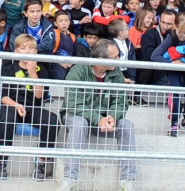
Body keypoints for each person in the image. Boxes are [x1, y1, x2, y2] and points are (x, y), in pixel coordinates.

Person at [58, 39, 137, 191]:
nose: (119, 60)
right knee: (80, 123)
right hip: (74, 114)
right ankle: (70, 179)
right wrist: (98, 118)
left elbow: (121, 102)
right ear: (101, 59)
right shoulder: (79, 70)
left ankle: (127, 180)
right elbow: (74, 104)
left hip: (104, 119)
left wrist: (113, 116)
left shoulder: (116, 73)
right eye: (115, 57)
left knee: (126, 125)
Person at [0, 34, 59, 181]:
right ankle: (1, 160)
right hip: (12, 106)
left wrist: (33, 74)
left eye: (31, 48)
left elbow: (39, 96)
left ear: (36, 52)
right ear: (16, 51)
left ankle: (41, 161)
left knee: (52, 120)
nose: (27, 51)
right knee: (7, 116)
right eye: (23, 48)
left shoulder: (41, 70)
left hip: (32, 108)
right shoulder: (8, 69)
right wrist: (16, 105)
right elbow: (3, 97)